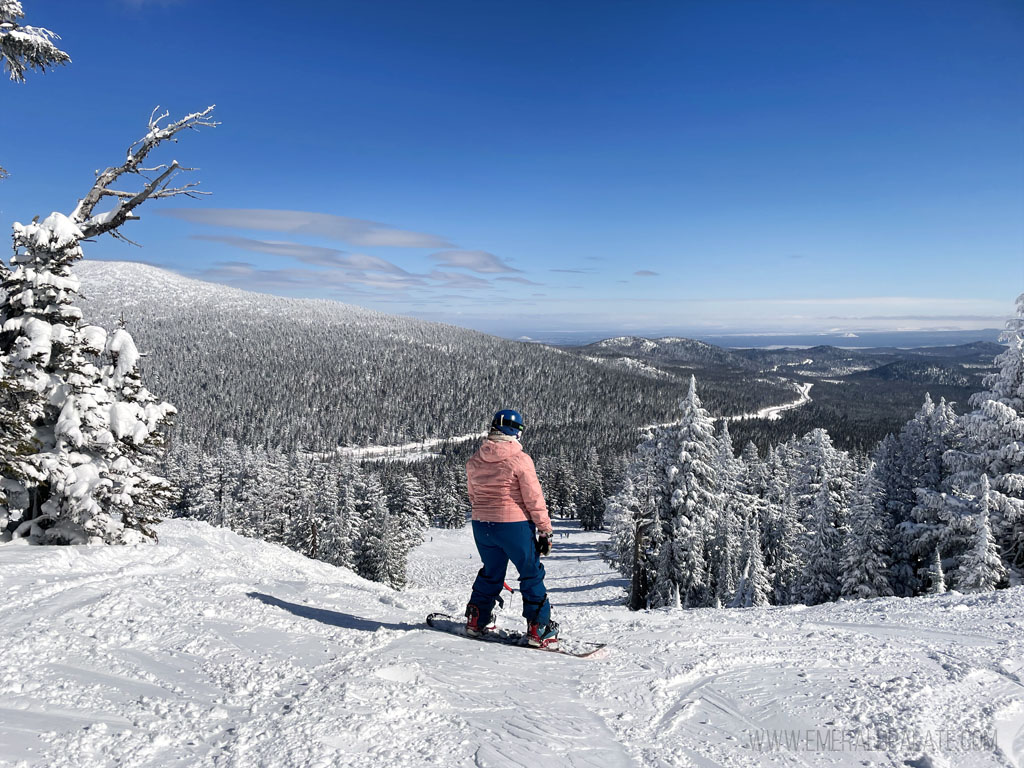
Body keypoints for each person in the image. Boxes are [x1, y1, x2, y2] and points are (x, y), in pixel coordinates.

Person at [464, 409, 558, 648]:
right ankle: (539, 629)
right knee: (531, 572)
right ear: (516, 432)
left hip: (482, 525)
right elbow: (534, 498)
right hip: (513, 525)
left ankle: (476, 619)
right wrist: (545, 530)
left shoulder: (475, 459)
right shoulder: (520, 459)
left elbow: (473, 495)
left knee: (492, 571)